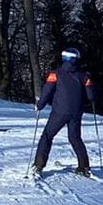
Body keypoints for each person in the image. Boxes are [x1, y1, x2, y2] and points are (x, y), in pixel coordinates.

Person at [31, 48, 95, 176]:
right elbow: (91, 96)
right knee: (75, 138)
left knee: (47, 136)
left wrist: (40, 105)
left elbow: (47, 91)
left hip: (59, 112)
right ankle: (84, 167)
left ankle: (38, 166)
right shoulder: (84, 76)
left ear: (64, 58)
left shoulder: (56, 74)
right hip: (76, 113)